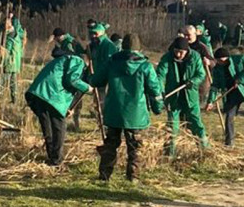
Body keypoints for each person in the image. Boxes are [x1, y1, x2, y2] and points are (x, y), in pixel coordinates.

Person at [90, 34, 163, 181]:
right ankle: (133, 177)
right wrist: (157, 108)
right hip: (136, 113)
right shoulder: (145, 66)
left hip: (113, 111)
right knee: (135, 147)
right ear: (139, 48)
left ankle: (104, 175)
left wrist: (91, 77)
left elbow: (97, 80)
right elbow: (155, 91)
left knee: (110, 144)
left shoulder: (112, 62)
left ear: (123, 47)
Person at [25, 46, 92, 166]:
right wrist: (89, 88)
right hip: (51, 95)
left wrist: (68, 107)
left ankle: (52, 157)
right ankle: (56, 160)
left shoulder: (64, 59)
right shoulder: (78, 61)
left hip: (39, 93)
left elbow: (65, 82)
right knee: (59, 128)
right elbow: (72, 80)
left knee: (48, 127)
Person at [157, 37, 209, 156]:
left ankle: (206, 151)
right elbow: (160, 75)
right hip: (174, 97)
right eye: (176, 51)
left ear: (187, 50)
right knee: (172, 126)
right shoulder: (167, 58)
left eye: (181, 52)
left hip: (190, 97)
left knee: (196, 124)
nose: (178, 54)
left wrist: (193, 81)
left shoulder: (195, 57)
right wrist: (160, 91)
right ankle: (170, 153)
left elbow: (201, 73)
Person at [0, 14, 23, 104]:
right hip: (15, 63)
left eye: (6, 23)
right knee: (13, 82)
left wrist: (2, 51)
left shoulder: (10, 36)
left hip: (9, 62)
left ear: (9, 24)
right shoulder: (16, 35)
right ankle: (14, 100)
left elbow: (7, 50)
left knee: (2, 81)